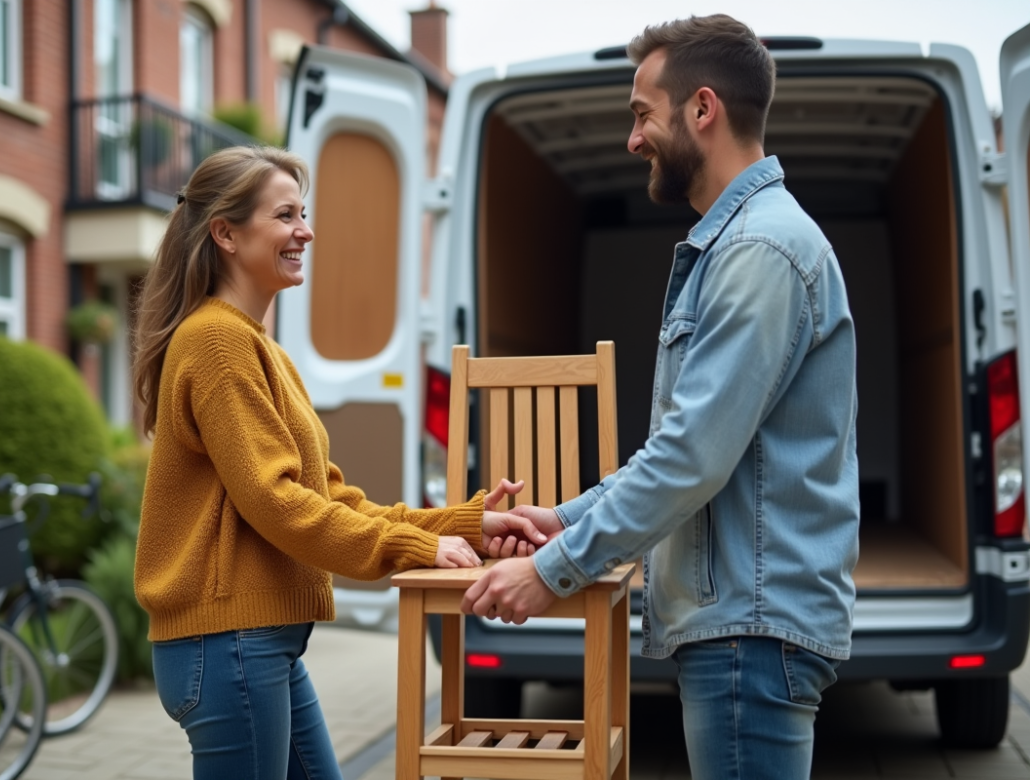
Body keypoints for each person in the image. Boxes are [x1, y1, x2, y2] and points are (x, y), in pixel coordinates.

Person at [460, 15, 859, 780]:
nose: (634, 139)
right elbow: (683, 445)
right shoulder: (743, 243)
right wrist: (562, 520)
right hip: (742, 625)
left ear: (702, 109)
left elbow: (689, 457)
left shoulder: (761, 250)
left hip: (751, 630)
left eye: (643, 114)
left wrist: (551, 570)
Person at [131, 145, 547, 780]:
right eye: (286, 215)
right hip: (229, 648)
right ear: (226, 234)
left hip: (256, 645)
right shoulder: (217, 342)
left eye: (304, 213)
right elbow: (276, 501)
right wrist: (414, 548)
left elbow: (328, 498)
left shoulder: (257, 346)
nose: (306, 230)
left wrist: (462, 527)